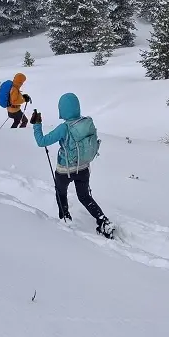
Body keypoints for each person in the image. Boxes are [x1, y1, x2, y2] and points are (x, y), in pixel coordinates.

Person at [30, 93, 113, 238]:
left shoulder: (64, 128)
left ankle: (66, 220)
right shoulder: (87, 122)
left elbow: (41, 142)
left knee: (61, 193)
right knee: (85, 196)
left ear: (62, 109)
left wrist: (37, 125)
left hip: (65, 170)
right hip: (84, 167)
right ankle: (104, 222)